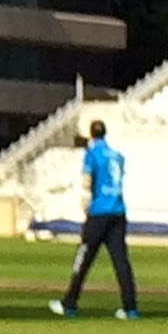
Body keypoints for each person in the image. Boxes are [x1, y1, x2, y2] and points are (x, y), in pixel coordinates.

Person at [50, 120, 139, 320]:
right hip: (118, 212)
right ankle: (130, 308)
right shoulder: (117, 155)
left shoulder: (92, 154)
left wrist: (86, 204)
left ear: (91, 134)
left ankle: (69, 303)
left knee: (84, 258)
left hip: (99, 213)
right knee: (121, 261)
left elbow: (86, 181)